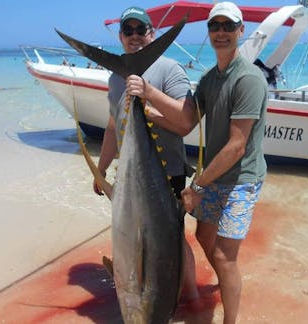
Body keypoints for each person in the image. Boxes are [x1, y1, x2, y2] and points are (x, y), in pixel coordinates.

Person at [125, 2, 268, 323]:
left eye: (228, 26)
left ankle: (230, 317)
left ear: (240, 31)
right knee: (204, 237)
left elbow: (237, 146)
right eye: (215, 26)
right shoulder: (209, 79)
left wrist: (197, 186)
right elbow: (187, 119)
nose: (221, 32)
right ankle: (227, 281)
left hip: (240, 179)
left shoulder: (249, 79)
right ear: (209, 31)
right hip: (215, 175)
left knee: (223, 256)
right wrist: (146, 96)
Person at [93, 6, 199, 302]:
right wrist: (101, 171)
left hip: (167, 174)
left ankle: (190, 295)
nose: (136, 36)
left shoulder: (169, 69)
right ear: (121, 36)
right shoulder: (116, 79)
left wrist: (149, 92)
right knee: (132, 237)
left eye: (142, 30)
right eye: (129, 30)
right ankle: (145, 285)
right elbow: (114, 126)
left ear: (152, 34)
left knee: (172, 240)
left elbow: (185, 123)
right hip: (129, 177)